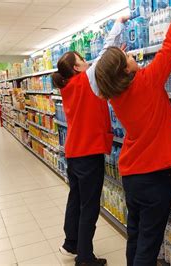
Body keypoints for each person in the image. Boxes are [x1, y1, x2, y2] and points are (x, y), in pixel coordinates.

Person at [87, 2, 171, 265]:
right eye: (128, 58)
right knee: (149, 245)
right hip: (152, 179)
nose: (132, 56)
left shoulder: (113, 95)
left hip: (132, 176)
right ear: (124, 70)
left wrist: (115, 61)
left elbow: (99, 76)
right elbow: (170, 47)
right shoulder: (147, 82)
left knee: (135, 236)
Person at [51, 52, 113, 265]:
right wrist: (118, 25)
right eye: (82, 59)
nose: (87, 61)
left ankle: (71, 244)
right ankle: (85, 257)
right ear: (77, 67)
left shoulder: (67, 86)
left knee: (76, 199)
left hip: (74, 152)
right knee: (89, 205)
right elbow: (105, 53)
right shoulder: (87, 79)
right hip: (88, 153)